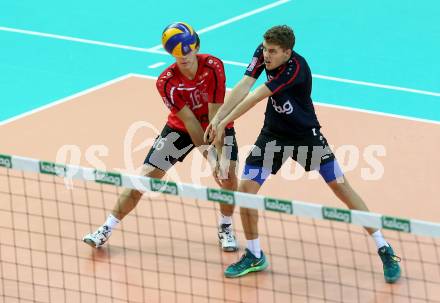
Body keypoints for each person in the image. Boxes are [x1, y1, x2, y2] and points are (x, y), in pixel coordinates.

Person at [205, 25, 401, 283]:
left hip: (305, 136)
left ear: (287, 52)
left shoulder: (294, 69)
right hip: (274, 135)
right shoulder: (264, 53)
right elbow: (244, 85)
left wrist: (221, 123)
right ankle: (254, 254)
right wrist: (218, 119)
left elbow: (254, 98)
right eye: (264, 49)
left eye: (272, 51)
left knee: (341, 187)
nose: (266, 55)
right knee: (246, 190)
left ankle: (383, 247)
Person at [83, 22, 238, 252]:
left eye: (187, 49)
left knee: (227, 177)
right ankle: (105, 228)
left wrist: (217, 160)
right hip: (181, 130)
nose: (183, 56)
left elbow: (215, 116)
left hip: (216, 124)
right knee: (144, 178)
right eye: (175, 51)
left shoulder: (213, 66)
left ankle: (225, 226)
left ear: (196, 46)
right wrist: (210, 158)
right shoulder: (166, 82)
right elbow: (191, 123)